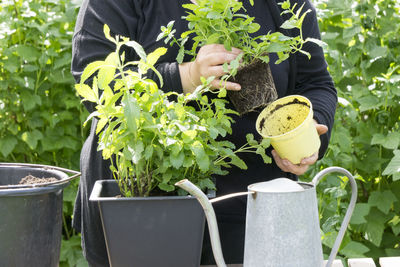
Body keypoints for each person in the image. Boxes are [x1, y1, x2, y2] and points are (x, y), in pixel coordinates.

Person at [71, 0, 337, 265]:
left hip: (252, 214)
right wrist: (186, 77)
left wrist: (310, 131)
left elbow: (316, 82)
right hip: (141, 214)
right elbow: (93, 78)